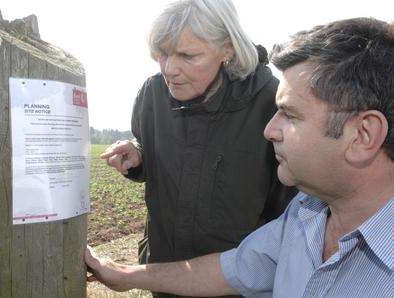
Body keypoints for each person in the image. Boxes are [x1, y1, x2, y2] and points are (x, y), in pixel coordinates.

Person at [86, 17, 394, 297]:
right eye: (162, 55)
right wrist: (125, 274)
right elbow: (230, 269)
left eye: (289, 114)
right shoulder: (304, 215)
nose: (269, 130)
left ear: (363, 135)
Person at [99, 3, 297, 296]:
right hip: (162, 272)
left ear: (227, 49)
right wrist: (139, 156)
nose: (169, 69)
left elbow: (288, 208)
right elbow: (158, 153)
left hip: (235, 286)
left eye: (187, 55)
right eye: (162, 54)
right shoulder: (152, 95)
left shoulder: (270, 104)